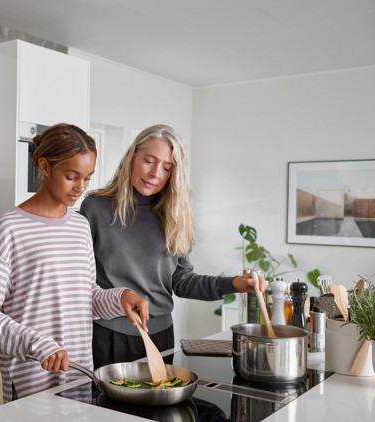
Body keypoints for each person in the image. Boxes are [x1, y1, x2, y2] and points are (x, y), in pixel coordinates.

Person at [0, 123, 149, 403]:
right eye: (71, 176)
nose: (80, 188)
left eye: (87, 178)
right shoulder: (9, 228)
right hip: (30, 383)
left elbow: (87, 298)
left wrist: (121, 297)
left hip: (78, 377)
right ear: (44, 166)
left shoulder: (79, 226)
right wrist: (38, 345)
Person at [79, 124, 267, 369]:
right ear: (132, 157)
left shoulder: (175, 215)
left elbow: (182, 281)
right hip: (108, 334)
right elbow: (81, 283)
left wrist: (234, 284)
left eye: (167, 168)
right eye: (149, 161)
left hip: (161, 335)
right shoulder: (95, 208)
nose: (156, 173)